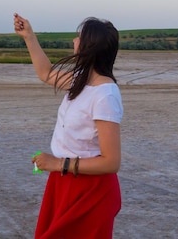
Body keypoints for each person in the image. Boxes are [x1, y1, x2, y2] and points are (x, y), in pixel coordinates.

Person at [13, 13, 123, 238]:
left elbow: (111, 162)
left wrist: (58, 163)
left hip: (89, 191)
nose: (74, 41)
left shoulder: (105, 95)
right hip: (64, 184)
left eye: (78, 37)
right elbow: (46, 73)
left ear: (89, 47)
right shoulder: (81, 79)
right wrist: (29, 37)